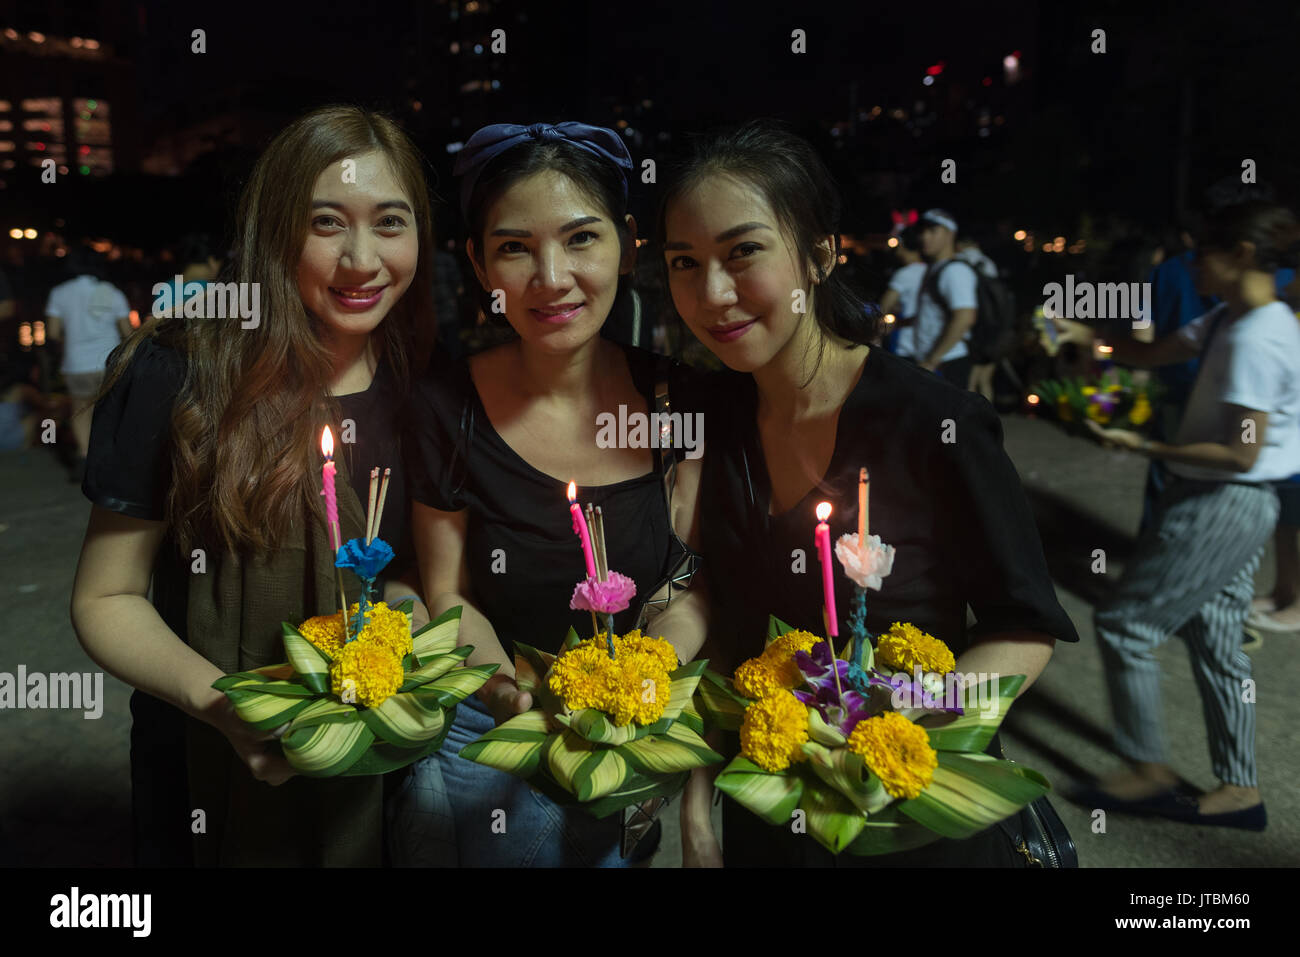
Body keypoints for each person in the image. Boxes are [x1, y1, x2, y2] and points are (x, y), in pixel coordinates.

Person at [659, 120, 1078, 867]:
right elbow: (723, 628)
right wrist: (698, 812)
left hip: (910, 812)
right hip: (772, 813)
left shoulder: (934, 423)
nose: (712, 292)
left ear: (820, 254)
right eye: (684, 262)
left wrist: (906, 727)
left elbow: (1024, 624)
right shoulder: (713, 421)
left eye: (743, 252)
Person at [69, 105, 434, 866]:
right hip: (201, 759)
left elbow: (395, 568)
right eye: (326, 223)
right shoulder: (179, 370)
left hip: (372, 769)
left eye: (390, 223)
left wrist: (406, 622)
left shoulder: (419, 383)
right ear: (274, 232)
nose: (362, 259)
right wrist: (228, 706)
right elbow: (105, 599)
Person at [395, 122, 709, 867]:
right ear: (476, 262)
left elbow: (689, 584)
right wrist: (513, 697)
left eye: (580, 239)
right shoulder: (448, 406)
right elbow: (446, 593)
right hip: (488, 747)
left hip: (629, 746)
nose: (551, 276)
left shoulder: (677, 400)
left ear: (628, 244)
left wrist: (642, 682)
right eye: (513, 248)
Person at [1053, 202, 1300, 830]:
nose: (1192, 268)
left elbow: (1242, 450)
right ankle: (1241, 790)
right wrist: (1091, 339)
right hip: (1226, 499)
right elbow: (1153, 353)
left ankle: (1146, 771)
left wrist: (1145, 447)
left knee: (1125, 624)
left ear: (1241, 253)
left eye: (1202, 255)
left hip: (1223, 499)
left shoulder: (1257, 338)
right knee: (1218, 642)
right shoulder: (1229, 318)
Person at [44, 248, 132, 472]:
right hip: (110, 362)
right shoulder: (112, 292)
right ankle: (111, 458)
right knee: (111, 410)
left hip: (76, 364)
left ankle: (84, 456)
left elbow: (53, 333)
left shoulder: (59, 293)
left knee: (80, 410)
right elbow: (127, 332)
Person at [913, 209, 978, 388]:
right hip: (937, 363)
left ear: (950, 234)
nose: (924, 237)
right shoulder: (935, 268)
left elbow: (965, 317)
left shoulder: (955, 271)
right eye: (922, 231)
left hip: (946, 363)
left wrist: (932, 361)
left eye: (933, 231)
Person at [875, 225, 924, 358]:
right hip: (925, 344)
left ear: (902, 245)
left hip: (904, 344)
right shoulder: (930, 270)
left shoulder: (904, 274)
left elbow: (884, 307)